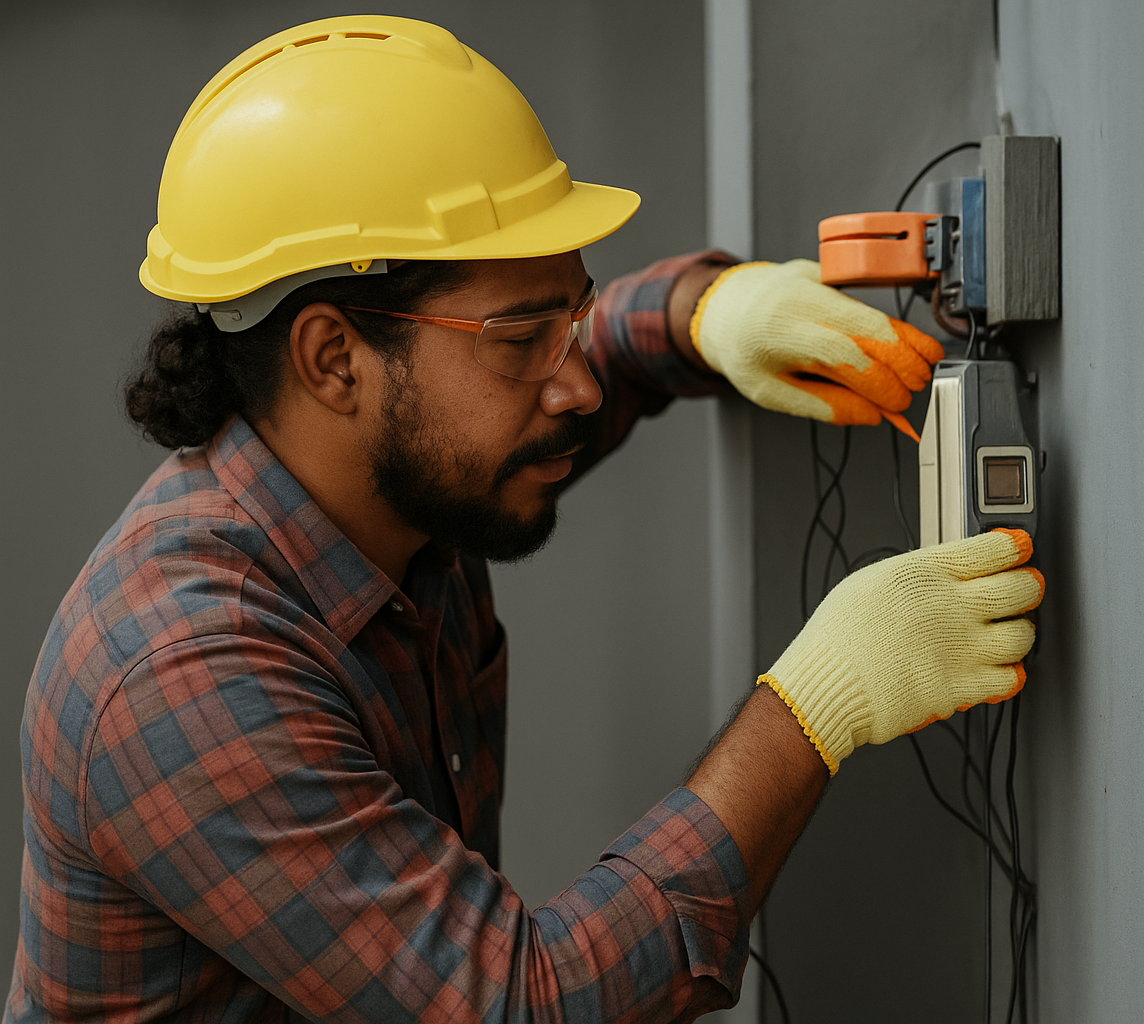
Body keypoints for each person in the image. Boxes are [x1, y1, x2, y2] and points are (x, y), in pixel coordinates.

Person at [7, 16, 1043, 1024]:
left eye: (574, 316)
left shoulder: (397, 479)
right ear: (333, 360)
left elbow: (552, 377)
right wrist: (817, 702)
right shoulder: (187, 674)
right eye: (521, 336)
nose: (578, 384)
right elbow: (524, 1002)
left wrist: (697, 318)